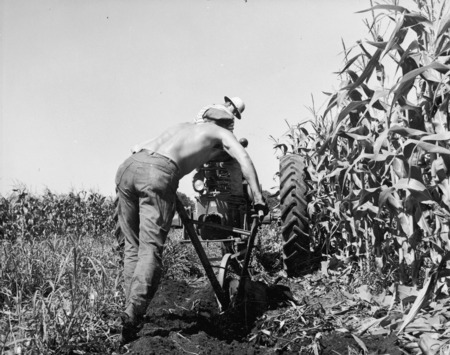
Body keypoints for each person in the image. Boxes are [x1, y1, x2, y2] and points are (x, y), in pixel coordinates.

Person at [115, 96, 267, 345]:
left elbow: (136, 148)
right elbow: (245, 159)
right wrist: (259, 198)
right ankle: (132, 315)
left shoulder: (182, 126)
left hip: (129, 166)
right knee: (150, 250)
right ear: (227, 125)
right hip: (157, 173)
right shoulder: (221, 134)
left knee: (133, 247)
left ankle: (127, 309)